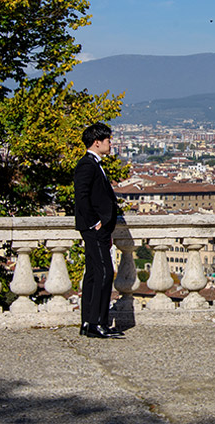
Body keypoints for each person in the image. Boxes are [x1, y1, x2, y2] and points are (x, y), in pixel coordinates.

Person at [74, 122, 124, 339]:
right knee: (104, 272)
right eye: (108, 140)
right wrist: (95, 221)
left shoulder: (93, 164)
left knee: (94, 274)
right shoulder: (87, 165)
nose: (110, 144)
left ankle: (88, 322)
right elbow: (81, 196)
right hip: (94, 229)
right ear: (97, 142)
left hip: (96, 228)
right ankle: (98, 323)